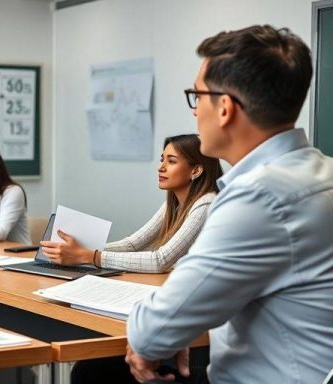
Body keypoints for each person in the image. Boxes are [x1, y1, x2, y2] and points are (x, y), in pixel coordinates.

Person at [126, 25, 333, 383]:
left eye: (197, 96)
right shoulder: (321, 174)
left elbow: (150, 333)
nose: (194, 112)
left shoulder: (258, 197)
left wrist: (166, 329)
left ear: (224, 108)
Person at [41, 134, 222, 273]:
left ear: (196, 170)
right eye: (162, 159)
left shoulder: (206, 204)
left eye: (172, 161)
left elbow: (161, 260)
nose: (161, 167)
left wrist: (90, 256)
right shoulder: (174, 203)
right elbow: (133, 245)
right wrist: (80, 249)